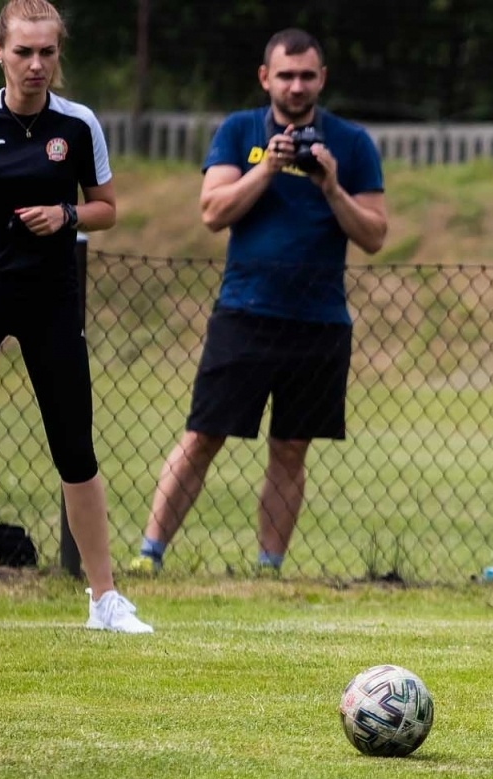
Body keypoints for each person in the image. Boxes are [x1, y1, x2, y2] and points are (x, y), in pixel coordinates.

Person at [130, 28, 386, 576]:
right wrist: (267, 168)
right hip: (245, 311)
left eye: (307, 75)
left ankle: (268, 567)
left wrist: (332, 186)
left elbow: (374, 236)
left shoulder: (352, 142)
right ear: (265, 77)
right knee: (203, 436)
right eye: (286, 75)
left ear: (322, 78)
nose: (296, 86)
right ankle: (149, 554)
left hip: (319, 320)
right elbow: (212, 212)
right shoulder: (238, 130)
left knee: (291, 447)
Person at [0, 0, 149, 631]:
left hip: (52, 302)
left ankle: (104, 599)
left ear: (59, 55)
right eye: (23, 52)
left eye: (47, 52)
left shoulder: (78, 125)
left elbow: (108, 206)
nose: (36, 65)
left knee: (74, 450)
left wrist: (68, 217)